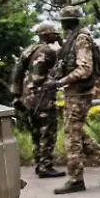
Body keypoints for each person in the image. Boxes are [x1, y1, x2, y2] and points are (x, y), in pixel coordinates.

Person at [48, 6, 100, 194]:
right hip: (75, 92)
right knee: (75, 132)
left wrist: (61, 82)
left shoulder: (81, 39)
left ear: (69, 21)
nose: (62, 24)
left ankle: (76, 179)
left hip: (79, 93)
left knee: (72, 136)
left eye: (63, 21)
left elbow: (84, 69)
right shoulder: (73, 37)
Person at [11, 22, 65, 178]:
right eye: (54, 34)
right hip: (43, 97)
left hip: (27, 96)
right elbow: (63, 65)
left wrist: (16, 94)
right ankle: (46, 166)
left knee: (35, 132)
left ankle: (39, 164)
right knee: (48, 131)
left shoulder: (28, 50)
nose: (56, 36)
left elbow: (17, 72)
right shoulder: (49, 51)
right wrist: (62, 44)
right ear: (47, 35)